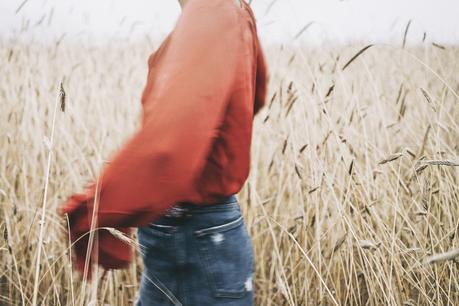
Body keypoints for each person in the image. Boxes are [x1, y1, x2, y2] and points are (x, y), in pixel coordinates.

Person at [59, 0, 268, 305]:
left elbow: (168, 147)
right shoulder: (229, 9)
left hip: (194, 234)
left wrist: (96, 209)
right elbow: (252, 96)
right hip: (194, 233)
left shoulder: (213, 9)